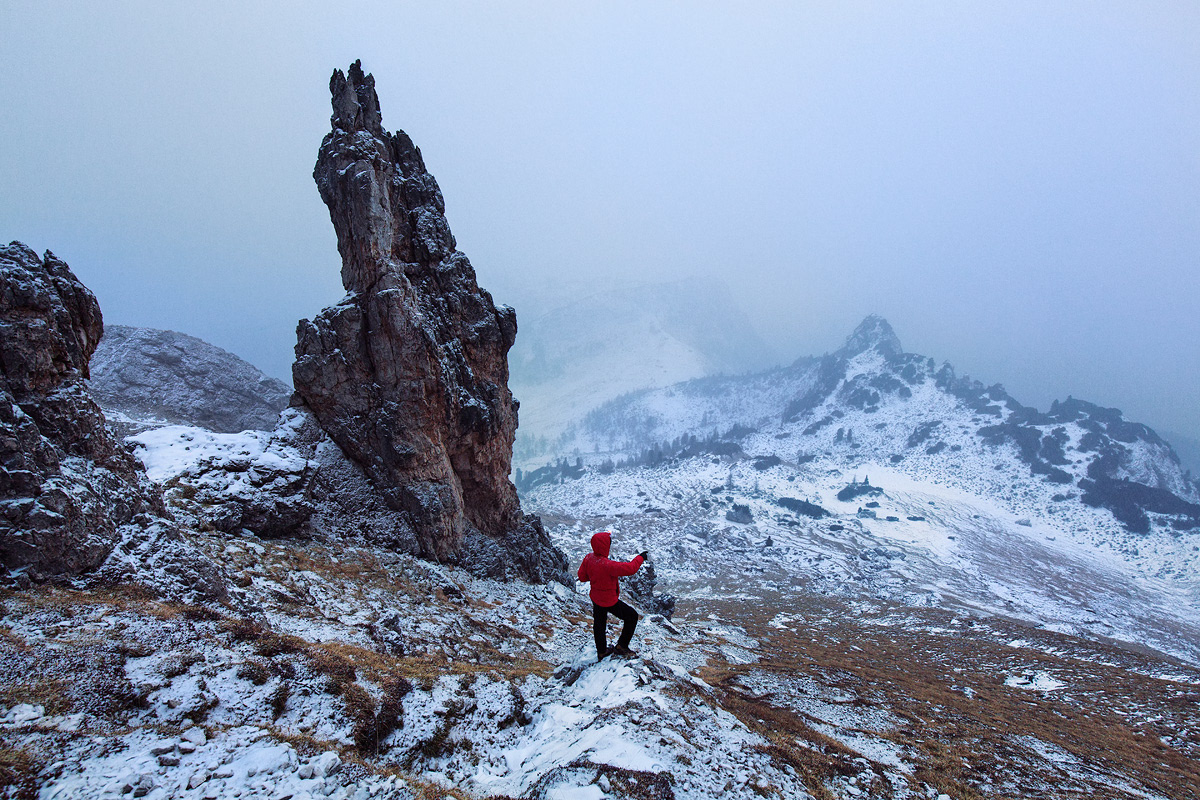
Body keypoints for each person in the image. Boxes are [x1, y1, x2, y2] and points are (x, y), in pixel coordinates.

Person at [577, 531, 648, 661]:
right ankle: (622, 646)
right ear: (605, 546)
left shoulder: (589, 558)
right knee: (632, 616)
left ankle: (602, 651)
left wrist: (595, 577)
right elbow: (630, 568)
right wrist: (641, 557)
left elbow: (582, 577)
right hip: (608, 600)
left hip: (595, 597)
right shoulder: (608, 565)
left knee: (599, 624)